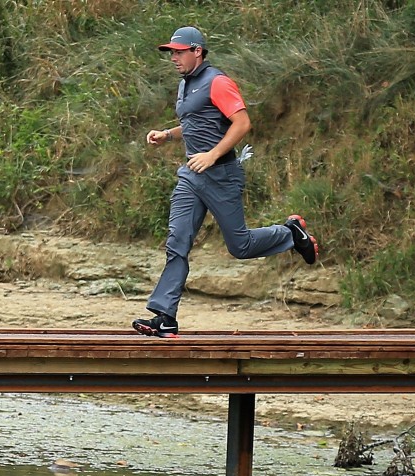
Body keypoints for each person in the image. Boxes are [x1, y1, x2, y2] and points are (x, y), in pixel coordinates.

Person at [133, 26, 318, 339]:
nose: (174, 58)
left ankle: (290, 233)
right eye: (171, 53)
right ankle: (165, 316)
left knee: (240, 247)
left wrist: (213, 155)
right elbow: (196, 121)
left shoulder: (218, 82)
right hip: (192, 176)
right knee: (177, 242)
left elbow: (242, 122)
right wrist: (169, 134)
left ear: (198, 51)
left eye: (179, 52)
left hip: (221, 176)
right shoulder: (185, 84)